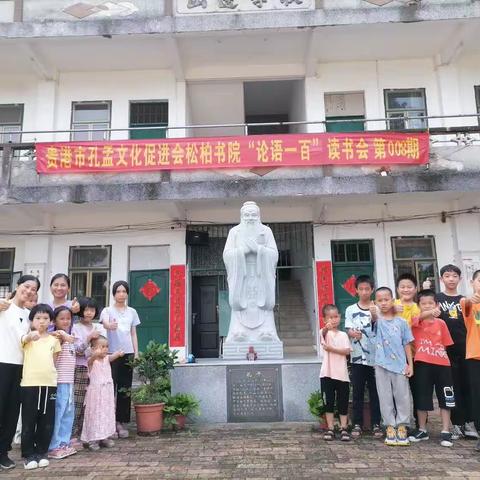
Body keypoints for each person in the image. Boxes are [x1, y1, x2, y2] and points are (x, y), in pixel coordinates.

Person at [223, 201, 281, 345]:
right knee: (242, 306)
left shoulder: (266, 231)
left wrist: (259, 250)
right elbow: (227, 255)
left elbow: (274, 254)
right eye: (247, 215)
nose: (250, 218)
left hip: (261, 275)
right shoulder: (234, 232)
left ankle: (266, 333)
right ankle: (238, 334)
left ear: (258, 215)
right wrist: (242, 251)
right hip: (241, 277)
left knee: (262, 305)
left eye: (253, 215)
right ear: (242, 216)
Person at [0, 275, 40, 471]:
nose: (29, 291)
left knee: (11, 411)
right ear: (18, 286)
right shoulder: (3, 306)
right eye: (26, 286)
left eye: (33, 289)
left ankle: (3, 452)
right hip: (2, 363)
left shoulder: (28, 313)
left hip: (21, 366)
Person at [408, 289, 455, 447]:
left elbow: (447, 344)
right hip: (422, 363)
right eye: (424, 304)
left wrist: (442, 358)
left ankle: (446, 430)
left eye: (431, 303)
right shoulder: (416, 321)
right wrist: (426, 314)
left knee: (445, 397)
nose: (427, 306)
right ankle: (422, 429)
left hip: (442, 365)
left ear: (437, 305)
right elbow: (411, 322)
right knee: (422, 396)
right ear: (419, 306)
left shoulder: (441, 323)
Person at [436, 264, 477, 440]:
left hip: (466, 349)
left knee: (468, 386)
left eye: (454, 276)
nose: (451, 279)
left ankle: (470, 422)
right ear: (441, 279)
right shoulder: (436, 299)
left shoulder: (466, 300)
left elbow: (472, 322)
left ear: (460, 279)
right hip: (445, 351)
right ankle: (457, 424)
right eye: (447, 276)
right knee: (451, 388)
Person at [20, 304, 61, 470]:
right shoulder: (27, 338)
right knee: (29, 420)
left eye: (45, 318)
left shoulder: (54, 340)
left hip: (49, 384)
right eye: (38, 318)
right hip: (29, 384)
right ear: (32, 320)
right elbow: (23, 340)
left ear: (51, 321)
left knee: (47, 420)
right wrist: (30, 336)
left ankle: (42, 451)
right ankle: (28, 454)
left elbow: (55, 361)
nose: (42, 321)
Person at [373, 286, 414, 447]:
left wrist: (410, 364)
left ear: (392, 300)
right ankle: (390, 426)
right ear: (375, 302)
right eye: (380, 300)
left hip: (399, 365)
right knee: (385, 396)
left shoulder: (402, 322)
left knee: (402, 396)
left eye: (386, 299)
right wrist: (373, 312)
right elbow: (372, 318)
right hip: (381, 364)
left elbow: (407, 344)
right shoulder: (377, 322)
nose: (383, 303)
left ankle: (402, 426)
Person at [100, 281, 140, 438]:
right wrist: (109, 325)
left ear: (127, 293)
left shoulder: (132, 312)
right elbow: (105, 323)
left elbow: (133, 333)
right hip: (111, 354)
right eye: (118, 291)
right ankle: (108, 423)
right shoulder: (107, 310)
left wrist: (136, 352)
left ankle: (120, 422)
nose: (121, 294)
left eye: (124, 291)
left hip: (128, 354)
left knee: (125, 389)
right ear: (113, 293)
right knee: (110, 388)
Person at [345, 275, 382, 439]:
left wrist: (375, 316)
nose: (364, 292)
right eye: (361, 289)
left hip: (376, 358)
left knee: (376, 392)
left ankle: (376, 424)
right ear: (356, 290)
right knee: (358, 391)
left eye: (367, 289)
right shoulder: (350, 309)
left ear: (372, 290)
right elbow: (348, 330)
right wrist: (352, 333)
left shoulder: (378, 307)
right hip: (358, 357)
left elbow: (382, 328)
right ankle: (357, 423)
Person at [71, 297, 105, 447]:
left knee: (92, 402)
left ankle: (89, 433)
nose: (89, 313)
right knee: (78, 402)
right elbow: (78, 350)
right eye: (86, 310)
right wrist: (89, 337)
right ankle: (74, 434)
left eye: (92, 310)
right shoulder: (76, 327)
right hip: (80, 368)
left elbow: (103, 348)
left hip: (96, 369)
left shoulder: (99, 327)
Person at [81, 335, 123, 451]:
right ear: (93, 349)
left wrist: (118, 353)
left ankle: (104, 436)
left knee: (106, 414)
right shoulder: (91, 361)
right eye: (102, 347)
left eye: (106, 347)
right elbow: (90, 360)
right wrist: (94, 354)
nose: (105, 349)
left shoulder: (106, 359)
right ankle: (92, 439)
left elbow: (112, 357)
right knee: (95, 415)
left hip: (106, 393)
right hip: (96, 393)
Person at [48, 307, 77, 459]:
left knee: (68, 413)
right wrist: (63, 335)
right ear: (54, 321)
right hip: (59, 382)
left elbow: (75, 342)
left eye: (68, 318)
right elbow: (69, 339)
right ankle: (53, 445)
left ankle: (64, 442)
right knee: (58, 414)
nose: (66, 321)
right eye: (62, 318)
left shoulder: (68, 337)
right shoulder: (57, 337)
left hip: (69, 381)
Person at [319, 304, 352, 442]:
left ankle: (344, 427)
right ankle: (331, 427)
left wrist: (332, 349)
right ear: (325, 319)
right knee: (329, 402)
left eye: (336, 316)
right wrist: (326, 327)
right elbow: (324, 334)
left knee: (343, 401)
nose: (334, 319)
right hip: (327, 373)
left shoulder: (344, 334)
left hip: (342, 374)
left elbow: (346, 351)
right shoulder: (324, 333)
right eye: (330, 317)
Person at [460, 270, 480, 452]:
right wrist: (469, 300)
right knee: (478, 397)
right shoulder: (469, 303)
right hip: (475, 356)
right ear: (472, 282)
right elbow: (464, 306)